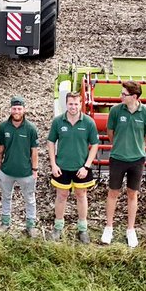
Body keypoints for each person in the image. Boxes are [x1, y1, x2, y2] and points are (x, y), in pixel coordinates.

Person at [102, 81, 146, 248]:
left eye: (124, 94)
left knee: (132, 194)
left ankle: (130, 229)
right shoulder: (115, 111)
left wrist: (136, 147)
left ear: (134, 96)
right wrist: (119, 145)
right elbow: (110, 132)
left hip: (137, 160)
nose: (121, 96)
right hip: (117, 157)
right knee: (113, 192)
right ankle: (109, 227)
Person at [47, 91, 99, 243]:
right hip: (62, 167)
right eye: (70, 104)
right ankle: (58, 227)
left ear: (80, 104)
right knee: (61, 196)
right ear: (66, 104)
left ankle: (82, 229)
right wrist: (53, 164)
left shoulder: (88, 122)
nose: (73, 107)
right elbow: (50, 142)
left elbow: (95, 145)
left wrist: (86, 166)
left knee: (81, 195)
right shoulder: (58, 122)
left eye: (76, 104)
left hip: (80, 168)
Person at [0, 96, 40, 237]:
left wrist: (35, 170)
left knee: (30, 199)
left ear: (24, 110)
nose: (16, 111)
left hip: (26, 172)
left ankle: (30, 225)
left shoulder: (31, 128)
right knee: (6, 197)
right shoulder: (3, 127)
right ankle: (5, 223)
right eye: (14, 108)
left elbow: (34, 151)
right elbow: (1, 148)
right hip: (7, 171)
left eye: (19, 108)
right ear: (10, 109)